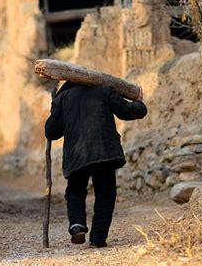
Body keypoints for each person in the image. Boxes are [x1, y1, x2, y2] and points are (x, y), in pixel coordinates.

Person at [44, 82, 147, 248]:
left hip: (77, 156)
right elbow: (126, 111)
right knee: (105, 195)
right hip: (104, 152)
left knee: (75, 192)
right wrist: (140, 104)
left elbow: (52, 132)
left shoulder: (62, 98)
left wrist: (54, 108)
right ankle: (98, 239)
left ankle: (77, 225)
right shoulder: (105, 89)